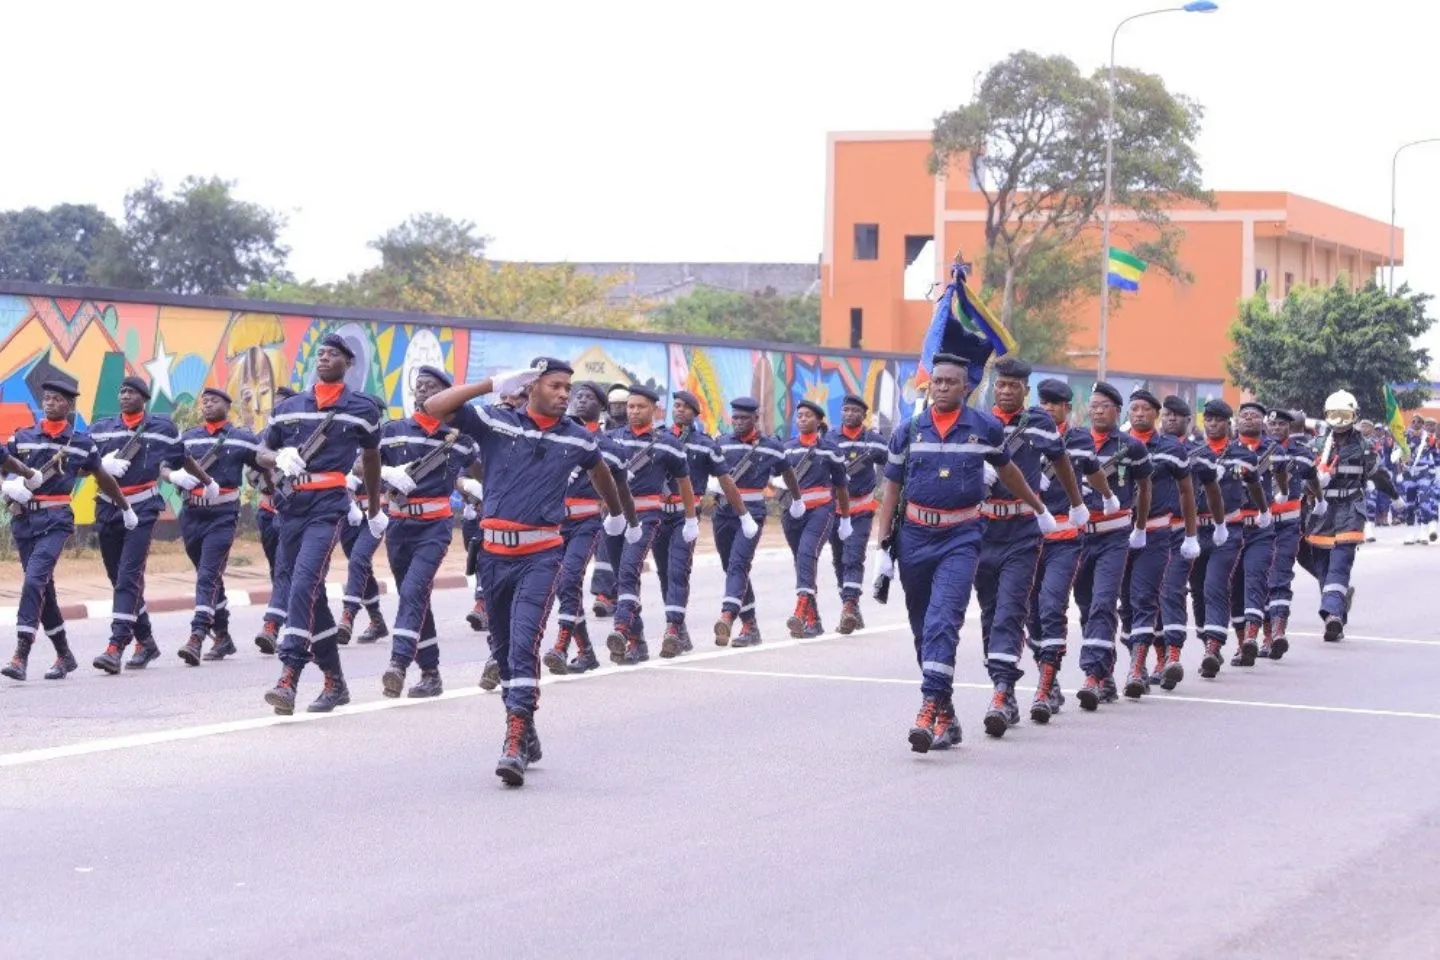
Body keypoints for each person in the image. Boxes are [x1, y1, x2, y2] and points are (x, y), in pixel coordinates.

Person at [421, 357, 634, 787]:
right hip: (494, 557)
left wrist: (613, 513)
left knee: (523, 643)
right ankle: (527, 728)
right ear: (532, 386)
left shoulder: (576, 437)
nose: (564, 394)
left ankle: (514, 738)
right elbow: (434, 408)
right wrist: (491, 383)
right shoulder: (498, 422)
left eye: (567, 388)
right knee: (501, 650)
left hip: (542, 555)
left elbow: (602, 471)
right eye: (555, 386)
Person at [872, 353, 1040, 753]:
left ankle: (928, 707)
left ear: (967, 388)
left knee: (943, 621)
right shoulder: (909, 431)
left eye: (951, 382)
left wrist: (1039, 507)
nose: (942, 387)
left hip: (961, 538)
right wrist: (882, 548)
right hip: (914, 537)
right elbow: (890, 490)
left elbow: (1010, 471)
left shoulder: (985, 428)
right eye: (937, 381)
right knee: (922, 629)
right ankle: (946, 712)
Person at [258, 334, 385, 715]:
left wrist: (375, 508)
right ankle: (335, 682)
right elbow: (261, 450)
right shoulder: (291, 406)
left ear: (349, 363)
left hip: (328, 508)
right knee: (310, 595)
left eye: (334, 354)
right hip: (291, 505)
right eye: (322, 352)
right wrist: (278, 456)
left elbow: (372, 458)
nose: (325, 357)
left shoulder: (361, 408)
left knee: (302, 584)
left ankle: (289, 675)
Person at [1, 377, 137, 682]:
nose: (50, 403)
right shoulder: (23, 436)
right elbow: (2, 466)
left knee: (34, 579)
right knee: (43, 589)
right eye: (47, 398)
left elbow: (102, 477)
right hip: (23, 519)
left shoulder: (81, 443)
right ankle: (64, 655)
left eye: (57, 399)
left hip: (56, 520)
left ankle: (21, 653)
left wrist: (125, 507)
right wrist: (7, 486)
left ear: (69, 405)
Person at [90, 376, 216, 673]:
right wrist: (100, 465)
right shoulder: (101, 430)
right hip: (108, 508)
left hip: (143, 507)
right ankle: (145, 640)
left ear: (143, 398)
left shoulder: (162, 428)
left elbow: (182, 458)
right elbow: (81, 466)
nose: (123, 396)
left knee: (128, 576)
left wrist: (207, 481)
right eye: (121, 391)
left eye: (131, 392)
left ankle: (116, 645)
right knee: (117, 578)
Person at [974, 358, 1071, 736]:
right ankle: (1004, 687)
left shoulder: (1038, 424)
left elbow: (1060, 462)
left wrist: (1064, 505)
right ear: (994, 387)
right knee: (990, 611)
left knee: (1012, 609)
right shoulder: (981, 425)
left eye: (1014, 385)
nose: (1007, 390)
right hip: (983, 529)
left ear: (1025, 390)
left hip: (1022, 531)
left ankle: (1002, 690)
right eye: (1001, 385)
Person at [1026, 378, 1116, 722]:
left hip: (1066, 539)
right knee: (1030, 613)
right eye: (1044, 402)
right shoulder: (1026, 434)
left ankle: (1046, 684)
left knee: (1052, 606)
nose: (1049, 408)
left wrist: (1106, 497)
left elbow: (1094, 473)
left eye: (1056, 403)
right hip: (1027, 540)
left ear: (1067, 408)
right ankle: (1048, 681)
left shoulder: (1079, 440)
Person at [543, 381, 634, 674]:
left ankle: (560, 646)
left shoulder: (610, 448)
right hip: (553, 524)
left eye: (589, 397)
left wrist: (625, 519)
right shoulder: (555, 438)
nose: (581, 400)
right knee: (561, 585)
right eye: (577, 395)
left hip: (586, 524)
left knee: (569, 580)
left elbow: (621, 488)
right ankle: (586, 652)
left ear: (602, 407)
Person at [168, 386, 263, 664]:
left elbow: (262, 462)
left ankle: (197, 635)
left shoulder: (240, 438)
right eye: (205, 401)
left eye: (214, 401)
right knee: (208, 576)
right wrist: (173, 475)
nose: (208, 404)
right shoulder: (189, 437)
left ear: (226, 405)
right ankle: (223, 636)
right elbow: (165, 465)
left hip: (223, 515)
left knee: (207, 574)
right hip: (191, 515)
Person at [1072, 382, 1150, 711]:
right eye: (1093, 405)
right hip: (1079, 537)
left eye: (1104, 405)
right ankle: (1105, 674)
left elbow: (1145, 488)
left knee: (1104, 601)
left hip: (1114, 536)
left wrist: (1140, 528)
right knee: (1087, 606)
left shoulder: (1130, 447)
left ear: (1117, 411)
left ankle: (1091, 674)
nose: (1098, 410)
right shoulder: (1075, 443)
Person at [1116, 389, 1199, 699]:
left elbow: (1187, 493)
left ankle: (1141, 666)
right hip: (1119, 534)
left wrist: (1191, 536)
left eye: (1145, 409)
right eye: (1133, 408)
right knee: (1125, 601)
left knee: (1148, 597)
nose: (1138, 414)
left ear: (1156, 415)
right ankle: (1150, 658)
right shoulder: (1118, 446)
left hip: (1159, 534)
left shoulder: (1171, 450)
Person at [604, 385, 695, 664]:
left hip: (647, 518)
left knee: (630, 570)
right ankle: (637, 641)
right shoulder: (611, 438)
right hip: (615, 518)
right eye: (630, 406)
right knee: (621, 576)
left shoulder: (668, 442)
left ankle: (620, 628)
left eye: (640, 407)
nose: (633, 411)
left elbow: (684, 483)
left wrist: (691, 519)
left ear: (654, 410)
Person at [655, 390, 748, 656]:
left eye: (685, 406)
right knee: (664, 572)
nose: (679, 410)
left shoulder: (706, 444)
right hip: (659, 514)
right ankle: (679, 627)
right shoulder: (660, 438)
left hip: (687, 518)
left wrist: (742, 513)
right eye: (677, 405)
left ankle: (672, 628)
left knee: (678, 570)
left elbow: (724, 478)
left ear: (695, 413)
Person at [1304, 390, 1399, 641]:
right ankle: (1337, 608)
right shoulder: (1315, 445)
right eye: (1334, 414)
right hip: (1321, 511)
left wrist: (1395, 497)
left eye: (1344, 414)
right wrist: (1313, 482)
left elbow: (1379, 475)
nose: (1339, 419)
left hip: (1350, 509)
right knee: (1323, 567)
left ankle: (1332, 615)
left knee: (1340, 563)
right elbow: (1299, 477)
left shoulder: (1365, 446)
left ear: (1354, 415)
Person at [1187, 399, 1264, 679]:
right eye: (1208, 419)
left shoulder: (1244, 455)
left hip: (1228, 531)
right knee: (1196, 590)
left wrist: (1263, 511)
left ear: (1228, 423)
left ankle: (1212, 646)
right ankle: (1209, 639)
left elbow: (1254, 487)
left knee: (1214, 585)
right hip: (1198, 531)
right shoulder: (1193, 453)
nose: (1212, 424)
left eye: (1218, 419)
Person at [781, 400, 852, 638]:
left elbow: (841, 487)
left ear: (818, 421)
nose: (802, 419)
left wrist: (845, 518)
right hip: (792, 512)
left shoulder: (830, 449)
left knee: (806, 553)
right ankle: (814, 621)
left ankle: (800, 611)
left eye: (807, 415)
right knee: (801, 560)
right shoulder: (787, 448)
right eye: (799, 415)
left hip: (822, 511)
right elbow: (771, 479)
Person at [711, 397, 778, 647]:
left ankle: (727, 615)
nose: (738, 422)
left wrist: (794, 500)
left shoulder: (771, 446)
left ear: (755, 419)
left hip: (752, 515)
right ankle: (750, 626)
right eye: (735, 417)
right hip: (723, 514)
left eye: (744, 418)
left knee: (739, 564)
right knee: (731, 567)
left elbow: (787, 473)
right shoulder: (720, 445)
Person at [1149, 395, 1202, 687]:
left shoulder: (1194, 451)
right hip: (1151, 533)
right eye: (1166, 414)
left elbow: (1194, 494)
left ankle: (1172, 655)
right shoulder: (1148, 449)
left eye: (1176, 415)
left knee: (1171, 591)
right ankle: (1158, 658)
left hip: (1181, 532)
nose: (1170, 419)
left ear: (1186, 421)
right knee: (1148, 597)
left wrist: (1194, 535)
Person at [826, 394, 889, 634]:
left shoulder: (874, 441)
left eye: (854, 411)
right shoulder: (830, 439)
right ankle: (851, 607)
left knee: (853, 556)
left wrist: (888, 489)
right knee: (839, 558)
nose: (849, 414)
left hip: (861, 509)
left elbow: (892, 464)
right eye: (846, 410)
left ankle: (849, 606)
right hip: (834, 510)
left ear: (864, 416)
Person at [1229, 401, 1283, 667]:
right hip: (1233, 526)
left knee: (1255, 579)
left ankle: (1255, 634)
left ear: (1263, 422)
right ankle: (1242, 644)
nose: (1249, 419)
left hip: (1261, 527)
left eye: (1254, 416)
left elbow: (1285, 479)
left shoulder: (1273, 450)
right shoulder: (1227, 450)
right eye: (1244, 415)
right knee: (1234, 586)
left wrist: (1282, 495)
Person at [250, 385, 297, 655]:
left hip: (293, 514)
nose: (277, 409)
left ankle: (272, 626)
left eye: (283, 404)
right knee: (277, 570)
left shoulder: (300, 437)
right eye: (275, 405)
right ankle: (293, 619)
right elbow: (253, 475)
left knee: (284, 569)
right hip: (268, 511)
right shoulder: (264, 437)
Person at [1263, 408, 1312, 658]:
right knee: (1259, 580)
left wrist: (1319, 495)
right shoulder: (1257, 451)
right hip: (1260, 525)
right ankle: (1266, 636)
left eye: (1281, 425)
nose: (1275, 429)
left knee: (1280, 576)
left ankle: (1279, 631)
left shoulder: (1301, 454)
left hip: (1288, 525)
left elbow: (1312, 479)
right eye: (1271, 425)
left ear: (1289, 428)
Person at [589, 382, 633, 617]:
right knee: (604, 547)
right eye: (613, 405)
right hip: (607, 495)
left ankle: (623, 594)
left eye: (621, 405)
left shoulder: (639, 431)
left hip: (634, 497)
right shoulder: (601, 431)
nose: (617, 410)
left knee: (628, 551)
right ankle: (605, 594)